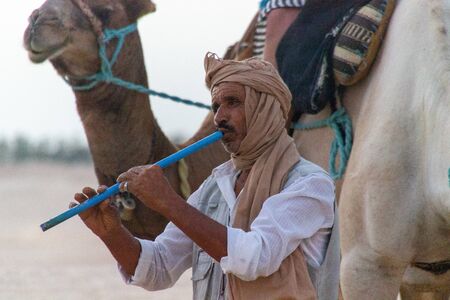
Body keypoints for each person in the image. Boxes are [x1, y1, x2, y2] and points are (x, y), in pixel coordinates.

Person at [73, 53, 338, 299]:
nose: (219, 117)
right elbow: (159, 266)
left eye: (232, 103)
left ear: (264, 109)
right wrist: (111, 233)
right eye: (215, 106)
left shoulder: (309, 185)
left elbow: (255, 257)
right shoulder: (215, 187)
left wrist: (168, 201)